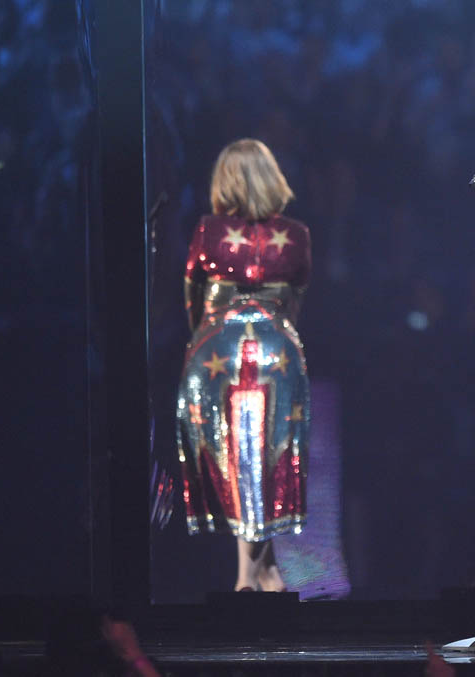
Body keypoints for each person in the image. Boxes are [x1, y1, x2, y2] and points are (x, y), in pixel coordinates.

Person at [177, 139, 310, 591]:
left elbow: (193, 301)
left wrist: (208, 340)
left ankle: (247, 578)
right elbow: (296, 304)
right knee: (265, 458)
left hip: (215, 353)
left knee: (237, 458)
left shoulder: (206, 231)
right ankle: (264, 573)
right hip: (277, 352)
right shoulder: (297, 235)